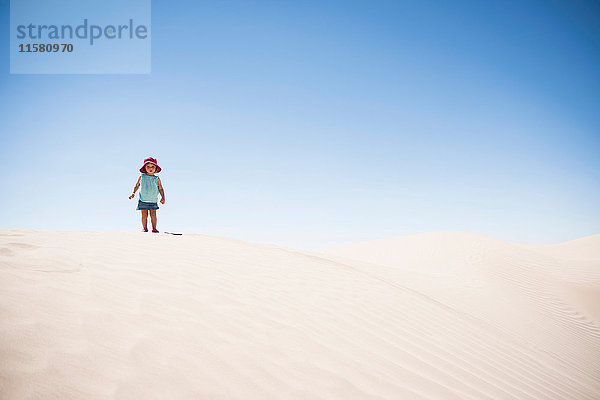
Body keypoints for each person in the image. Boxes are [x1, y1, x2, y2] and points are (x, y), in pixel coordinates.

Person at [129, 157, 165, 232]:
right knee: (144, 215)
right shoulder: (142, 176)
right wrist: (133, 193)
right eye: (148, 166)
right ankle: (144, 228)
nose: (150, 168)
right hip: (143, 199)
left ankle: (154, 228)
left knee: (153, 215)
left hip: (153, 200)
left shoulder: (156, 178)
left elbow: (161, 188)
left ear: (155, 168)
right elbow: (137, 185)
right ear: (145, 168)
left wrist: (163, 197)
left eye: (152, 167)